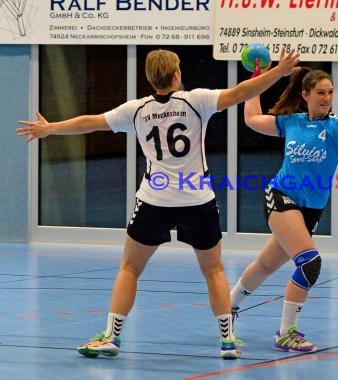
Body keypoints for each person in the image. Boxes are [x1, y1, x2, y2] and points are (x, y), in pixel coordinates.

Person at [16, 48, 301, 359]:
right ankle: (227, 341)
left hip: (155, 200)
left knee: (130, 268)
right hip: (197, 199)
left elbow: (91, 122)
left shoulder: (136, 110)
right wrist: (277, 73)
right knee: (214, 270)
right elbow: (238, 94)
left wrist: (50, 128)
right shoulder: (196, 100)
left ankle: (111, 336)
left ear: (150, 78)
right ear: (177, 75)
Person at [229, 66, 338, 353]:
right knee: (310, 263)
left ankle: (228, 307)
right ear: (306, 95)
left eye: (330, 92)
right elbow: (251, 119)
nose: (326, 98)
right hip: (280, 196)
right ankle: (286, 333)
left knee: (265, 265)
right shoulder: (292, 122)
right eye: (321, 93)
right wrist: (255, 82)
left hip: (310, 210)